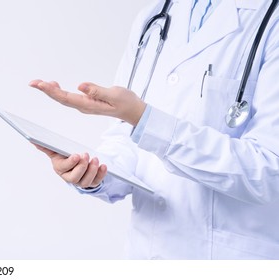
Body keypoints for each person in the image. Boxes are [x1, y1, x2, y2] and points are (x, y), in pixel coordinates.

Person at [29, 0, 279, 259]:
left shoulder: (271, 20)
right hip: (146, 254)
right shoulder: (155, 15)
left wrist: (144, 119)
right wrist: (94, 173)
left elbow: (267, 171)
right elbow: (127, 137)